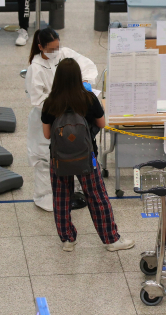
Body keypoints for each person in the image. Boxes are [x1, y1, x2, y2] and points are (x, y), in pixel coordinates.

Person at [41, 58, 135, 252]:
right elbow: (102, 124)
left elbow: (47, 134)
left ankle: (68, 239)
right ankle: (111, 239)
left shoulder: (50, 102)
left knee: (61, 198)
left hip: (58, 158)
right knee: (96, 196)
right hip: (86, 156)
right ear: (78, 77)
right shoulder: (88, 98)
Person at [25, 28, 99, 211]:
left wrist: (85, 83)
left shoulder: (65, 55)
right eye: (51, 49)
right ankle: (46, 197)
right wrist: (60, 105)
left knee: (72, 152)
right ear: (40, 47)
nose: (55, 52)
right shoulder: (35, 69)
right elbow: (37, 99)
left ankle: (73, 191)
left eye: (57, 47)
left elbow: (87, 65)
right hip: (48, 118)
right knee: (46, 159)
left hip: (71, 117)